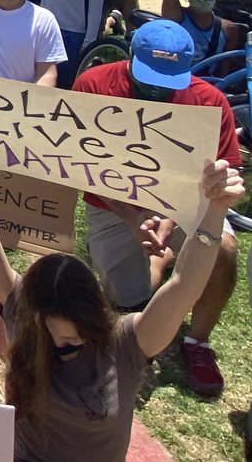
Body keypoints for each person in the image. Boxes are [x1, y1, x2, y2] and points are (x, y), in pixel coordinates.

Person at [0, 97, 241, 461]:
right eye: (49, 334)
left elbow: (184, 286)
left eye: (69, 339)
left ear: (94, 319)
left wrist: (214, 209)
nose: (57, 345)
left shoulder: (128, 344)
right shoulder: (20, 307)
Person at [74, 20, 240, 397]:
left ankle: (197, 343)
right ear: (129, 54)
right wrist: (134, 218)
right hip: (116, 203)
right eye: (150, 75)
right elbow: (81, 166)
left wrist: (169, 216)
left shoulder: (211, 102)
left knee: (224, 253)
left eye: (170, 78)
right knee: (124, 298)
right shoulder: (94, 85)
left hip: (187, 203)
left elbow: (224, 172)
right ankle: (159, 262)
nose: (159, 88)